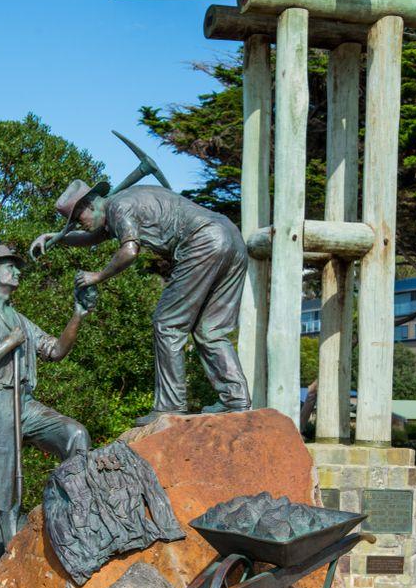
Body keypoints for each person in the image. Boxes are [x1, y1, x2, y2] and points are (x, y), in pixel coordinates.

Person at [30, 180, 251, 425]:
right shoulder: (123, 204)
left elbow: (129, 251)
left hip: (203, 243)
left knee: (167, 323)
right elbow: (95, 235)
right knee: (211, 329)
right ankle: (235, 398)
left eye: (79, 220)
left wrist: (98, 276)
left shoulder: (118, 207)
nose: (80, 226)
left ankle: (170, 406)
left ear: (89, 205)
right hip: (231, 237)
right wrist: (56, 237)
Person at [0, 244, 92, 570]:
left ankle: (71, 523)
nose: (18, 272)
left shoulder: (20, 320)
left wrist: (78, 314)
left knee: (75, 436)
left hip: (23, 403)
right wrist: (9, 343)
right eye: (11, 267)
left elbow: (57, 350)